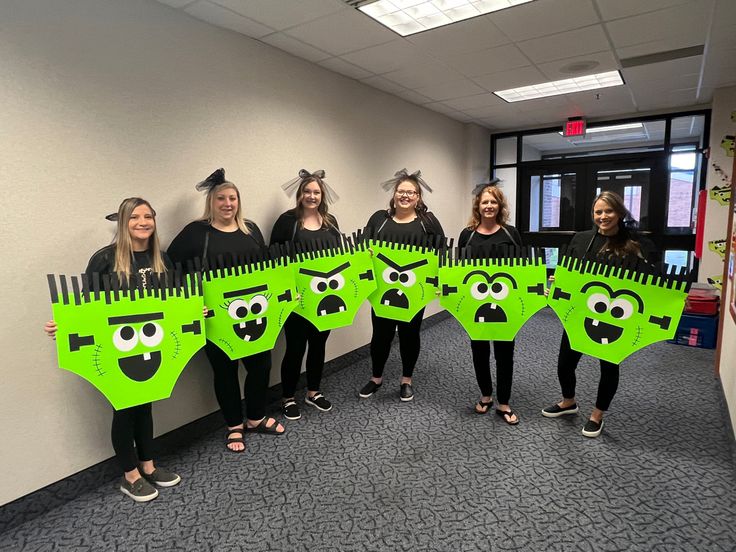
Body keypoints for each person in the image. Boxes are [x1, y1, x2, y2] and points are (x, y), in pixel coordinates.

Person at [44, 197, 181, 502]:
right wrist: (65, 326)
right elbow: (86, 305)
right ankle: (129, 476)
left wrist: (194, 314)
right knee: (124, 407)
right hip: (116, 350)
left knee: (145, 405)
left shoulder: (163, 258)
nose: (142, 222)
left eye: (148, 216)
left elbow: (176, 302)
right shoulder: (105, 259)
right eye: (134, 217)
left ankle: (148, 465)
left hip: (151, 346)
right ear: (122, 222)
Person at [167, 169, 284, 453]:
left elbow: (267, 268)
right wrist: (191, 304)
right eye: (221, 198)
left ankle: (255, 418)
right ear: (211, 202)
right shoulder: (196, 233)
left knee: (261, 366)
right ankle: (234, 425)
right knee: (225, 371)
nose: (228, 203)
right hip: (217, 319)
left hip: (255, 315)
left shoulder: (251, 230)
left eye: (233, 198)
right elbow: (170, 269)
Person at [542, 191, 652, 438]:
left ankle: (597, 415)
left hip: (615, 318)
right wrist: (558, 279)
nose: (603, 216)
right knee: (565, 364)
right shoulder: (581, 240)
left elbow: (648, 284)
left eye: (608, 211)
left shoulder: (636, 245)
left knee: (609, 367)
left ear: (620, 213)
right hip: (579, 314)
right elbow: (569, 271)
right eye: (598, 212)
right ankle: (568, 401)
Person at [359, 169, 444, 402]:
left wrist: (438, 282)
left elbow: (441, 252)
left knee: (409, 335)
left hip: (414, 292)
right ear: (394, 194)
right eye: (401, 191)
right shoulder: (379, 219)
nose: (405, 196)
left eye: (411, 192)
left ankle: (406, 379)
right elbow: (362, 251)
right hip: (382, 291)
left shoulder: (427, 222)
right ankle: (376, 378)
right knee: (381, 336)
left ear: (418, 197)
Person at [270, 169, 341, 421]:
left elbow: (338, 258)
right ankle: (288, 397)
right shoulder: (287, 221)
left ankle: (313, 391)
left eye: (316, 192)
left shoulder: (331, 222)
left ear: (323, 196)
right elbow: (274, 259)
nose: (312, 196)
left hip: (324, 298)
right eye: (307, 192)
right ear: (300, 194)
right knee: (295, 348)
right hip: (297, 300)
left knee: (319, 344)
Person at [458, 181, 522, 425]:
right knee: (479, 351)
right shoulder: (468, 234)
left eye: (493, 201)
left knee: (505, 354)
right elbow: (458, 269)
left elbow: (522, 268)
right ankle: (486, 395)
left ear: (500, 206)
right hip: (475, 305)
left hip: (506, 305)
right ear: (478, 205)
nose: (489, 206)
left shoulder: (510, 233)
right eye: (485, 201)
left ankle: (503, 402)